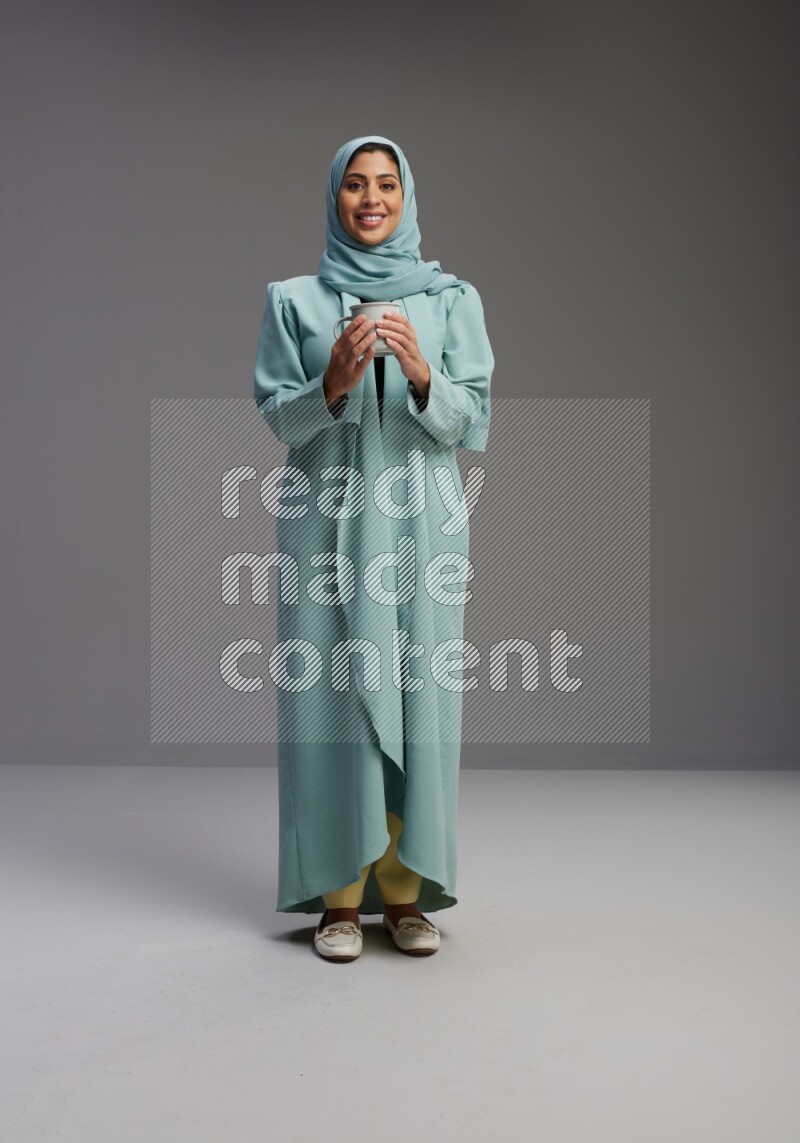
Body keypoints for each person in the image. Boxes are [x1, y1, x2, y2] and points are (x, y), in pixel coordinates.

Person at [253, 134, 494, 962]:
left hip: (421, 530)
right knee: (333, 708)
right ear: (335, 197)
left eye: (386, 184)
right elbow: (279, 420)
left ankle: (408, 893)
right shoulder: (294, 300)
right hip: (324, 526)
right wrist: (332, 385)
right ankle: (339, 902)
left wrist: (424, 373)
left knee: (419, 705)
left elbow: (473, 420)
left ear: (406, 195)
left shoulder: (451, 300)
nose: (370, 199)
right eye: (355, 184)